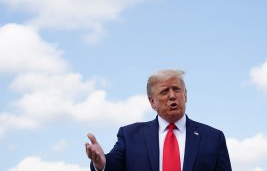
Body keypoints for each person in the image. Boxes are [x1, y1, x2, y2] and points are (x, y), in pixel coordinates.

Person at [85, 69, 232, 171]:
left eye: (176, 89)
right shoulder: (130, 135)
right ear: (152, 102)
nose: (172, 96)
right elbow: (113, 166)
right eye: (164, 91)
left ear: (186, 96)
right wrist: (101, 163)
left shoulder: (213, 137)